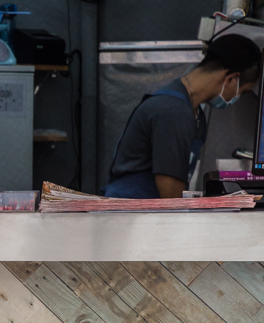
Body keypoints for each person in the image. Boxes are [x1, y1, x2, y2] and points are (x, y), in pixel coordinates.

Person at [104, 33, 261, 199]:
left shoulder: (191, 111)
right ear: (231, 79)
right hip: (132, 211)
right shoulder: (173, 112)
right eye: (242, 92)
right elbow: (171, 198)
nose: (236, 98)